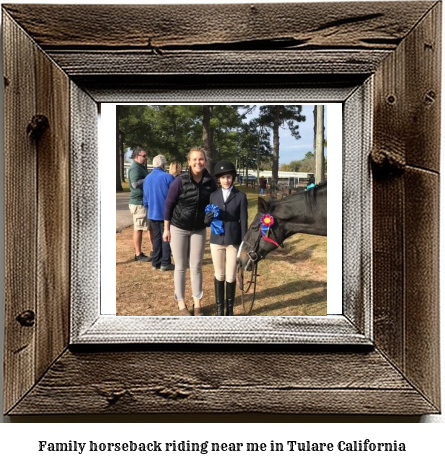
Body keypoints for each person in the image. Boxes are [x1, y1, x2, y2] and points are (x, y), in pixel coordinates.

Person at [163, 147, 217, 316]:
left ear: (205, 161)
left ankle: (197, 303)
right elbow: (169, 205)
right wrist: (166, 229)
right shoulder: (180, 180)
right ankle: (181, 304)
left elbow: (216, 203)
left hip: (198, 230)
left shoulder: (210, 182)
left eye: (201, 159)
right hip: (178, 227)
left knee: (197, 267)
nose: (198, 162)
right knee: (180, 267)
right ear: (189, 162)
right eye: (194, 159)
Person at [204, 160, 247, 316]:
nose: (226, 180)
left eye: (228, 177)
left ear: (232, 177)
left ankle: (229, 310)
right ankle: (219, 309)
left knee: (230, 275)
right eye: (222, 178)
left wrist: (243, 245)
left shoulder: (241, 196)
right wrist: (207, 219)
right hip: (216, 240)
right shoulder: (213, 196)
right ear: (218, 179)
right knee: (219, 274)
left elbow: (244, 222)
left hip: (233, 241)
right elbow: (208, 218)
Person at [142, 155, 175, 271]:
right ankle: (165, 262)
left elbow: (145, 198)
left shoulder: (147, 178)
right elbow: (175, 195)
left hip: (152, 212)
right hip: (165, 213)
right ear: (163, 165)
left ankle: (156, 262)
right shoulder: (168, 177)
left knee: (156, 238)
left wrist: (148, 208)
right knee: (166, 237)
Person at [128, 148, 152, 262]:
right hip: (138, 203)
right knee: (138, 229)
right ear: (137, 156)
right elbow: (134, 184)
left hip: (144, 202)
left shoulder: (141, 167)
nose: (146, 157)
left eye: (146, 155)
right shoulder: (134, 168)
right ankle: (138, 254)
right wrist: (148, 178)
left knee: (149, 227)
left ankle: (154, 250)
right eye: (144, 155)